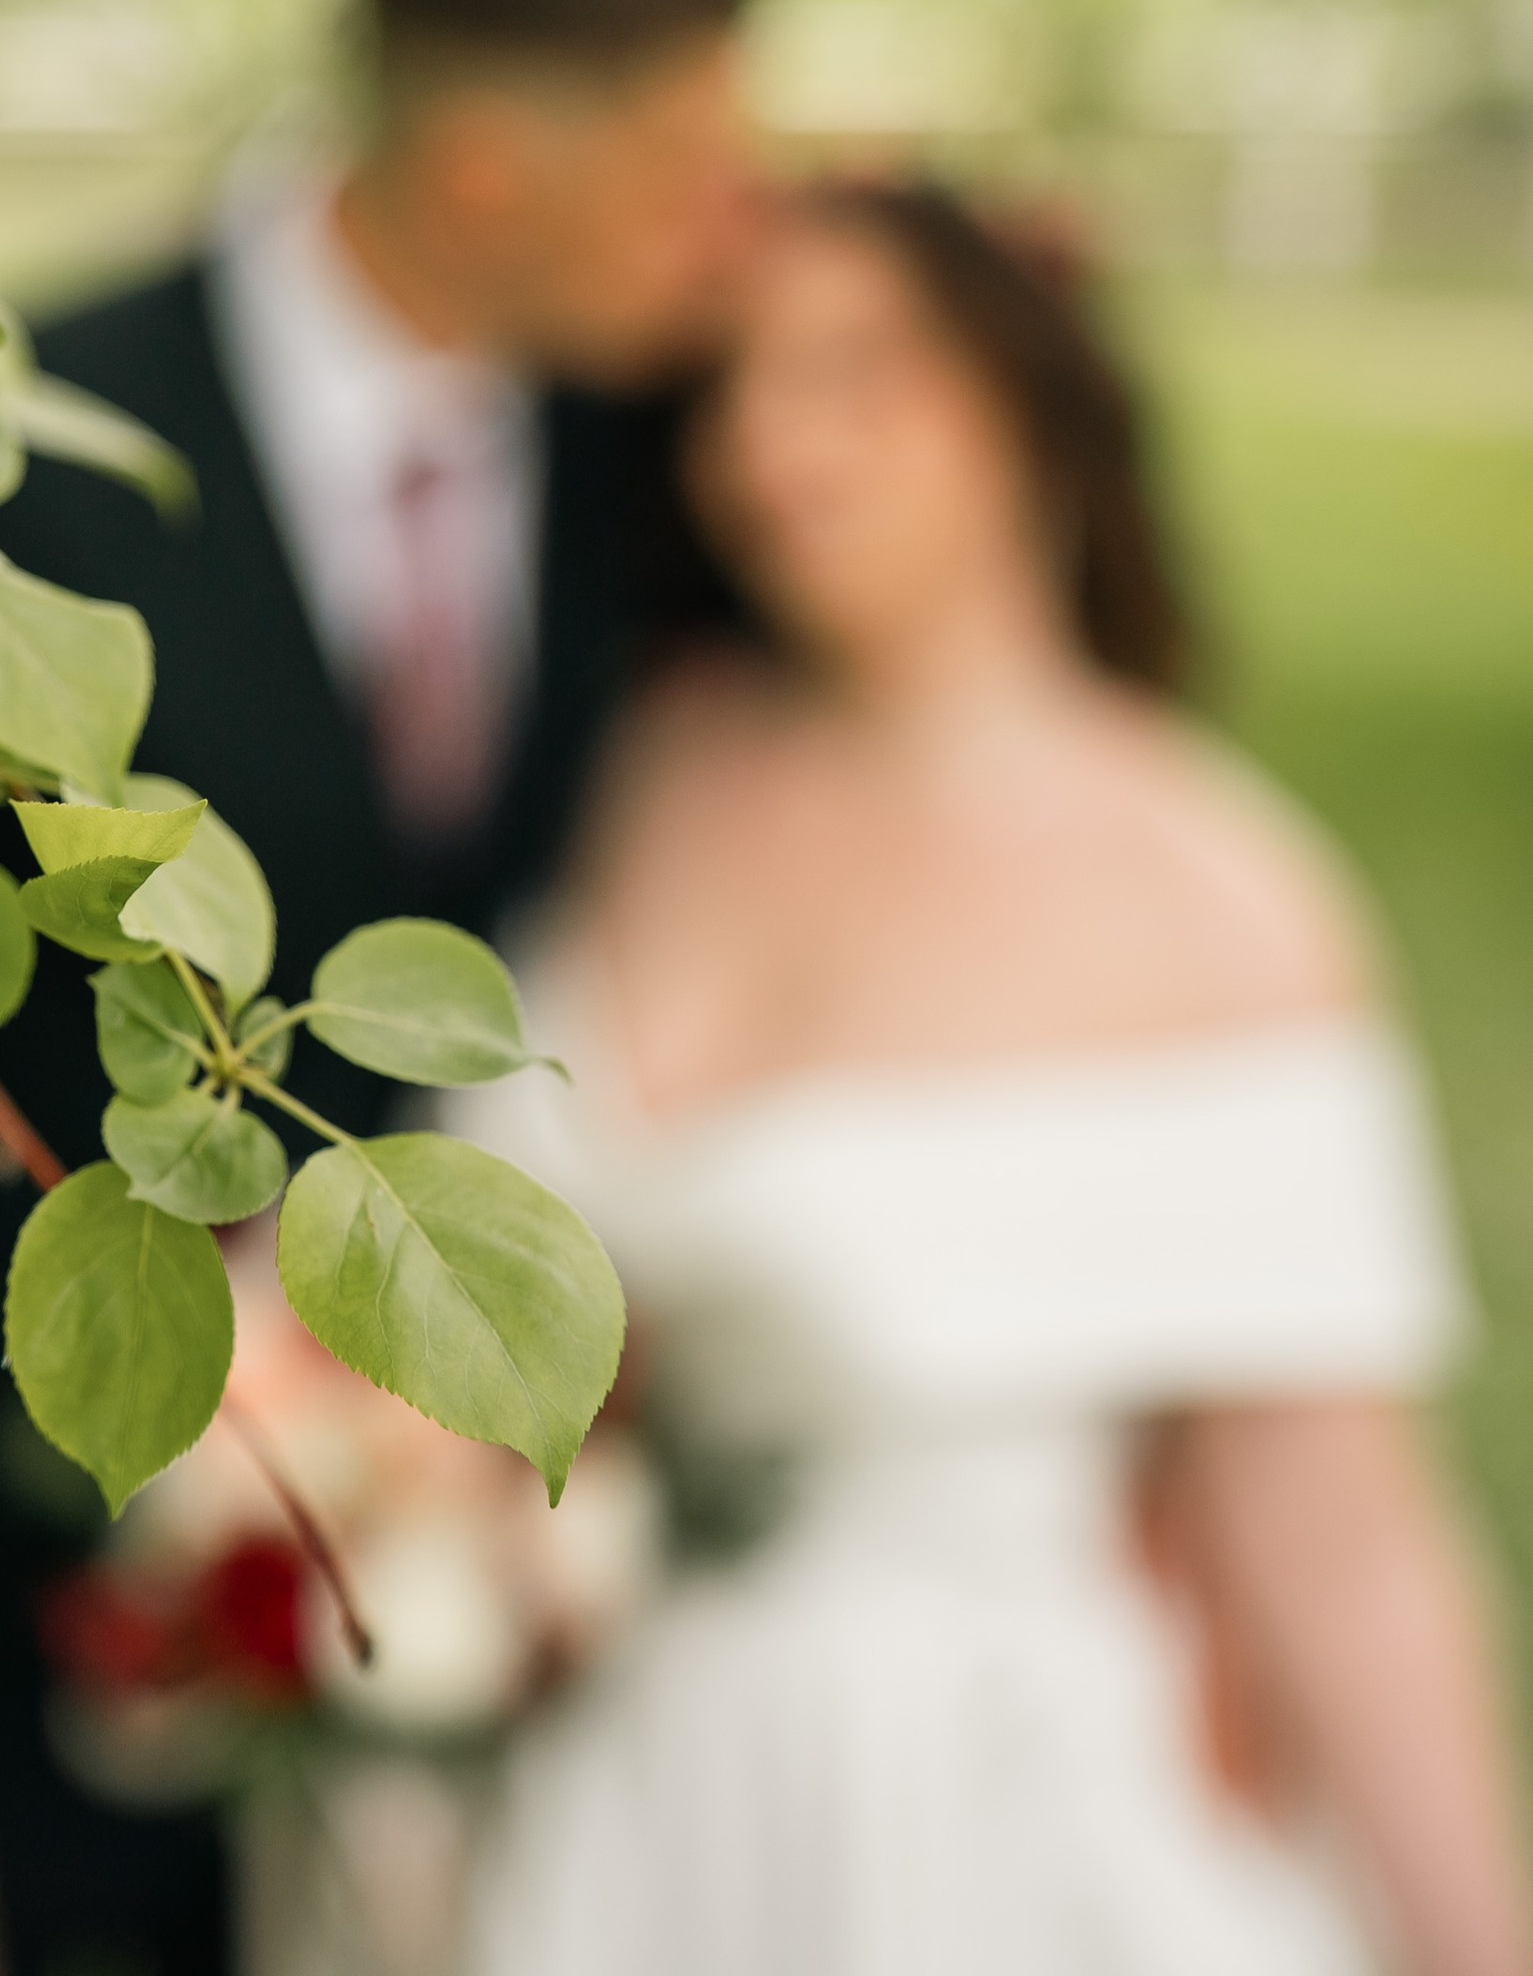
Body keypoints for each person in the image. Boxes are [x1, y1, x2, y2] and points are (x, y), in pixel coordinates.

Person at [0, 0, 764, 1976]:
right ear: (485, 170)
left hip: (540, 1717)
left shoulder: (662, 456)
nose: (738, 230)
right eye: (686, 170)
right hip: (42, 1680)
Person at [458, 176, 1531, 1976]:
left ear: (1031, 400)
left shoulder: (1208, 897)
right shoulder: (658, 772)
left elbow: (1342, 1542)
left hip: (982, 1820)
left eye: (856, 371)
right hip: (627, 1792)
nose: (768, 444)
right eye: (728, 387)